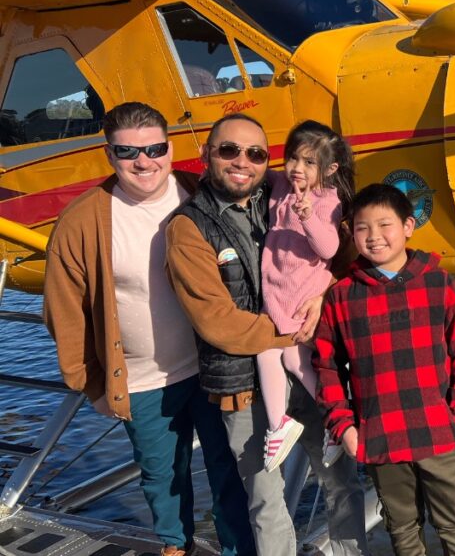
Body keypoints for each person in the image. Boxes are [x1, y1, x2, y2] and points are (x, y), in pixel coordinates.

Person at [43, 102, 255, 556]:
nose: (144, 161)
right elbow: (63, 314)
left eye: (155, 148)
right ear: (109, 154)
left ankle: (240, 549)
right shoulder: (81, 222)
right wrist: (93, 385)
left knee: (230, 470)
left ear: (170, 149)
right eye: (128, 152)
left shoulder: (201, 193)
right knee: (163, 478)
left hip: (213, 368)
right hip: (141, 380)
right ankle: (175, 547)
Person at [164, 113, 367, 556]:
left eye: (256, 153)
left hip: (309, 362)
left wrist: (327, 290)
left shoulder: (280, 189)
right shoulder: (188, 226)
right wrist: (286, 337)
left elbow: (344, 253)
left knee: (340, 480)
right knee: (265, 499)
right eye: (228, 150)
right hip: (244, 380)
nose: (243, 161)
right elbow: (216, 319)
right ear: (206, 155)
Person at [314, 183, 455, 556]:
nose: (374, 237)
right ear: (350, 233)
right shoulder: (342, 296)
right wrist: (344, 427)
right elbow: (326, 366)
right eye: (362, 228)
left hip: (439, 432)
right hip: (381, 437)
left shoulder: (440, 284)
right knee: (402, 530)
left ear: (408, 226)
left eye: (385, 225)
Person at [258, 120, 354, 471]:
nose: (297, 168)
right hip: (280, 286)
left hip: (300, 291)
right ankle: (335, 422)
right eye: (293, 158)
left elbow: (328, 248)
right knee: (295, 361)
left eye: (309, 163)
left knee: (269, 350)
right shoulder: (281, 182)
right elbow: (257, 174)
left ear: (329, 169)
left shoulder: (327, 200)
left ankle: (278, 423)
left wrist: (308, 216)